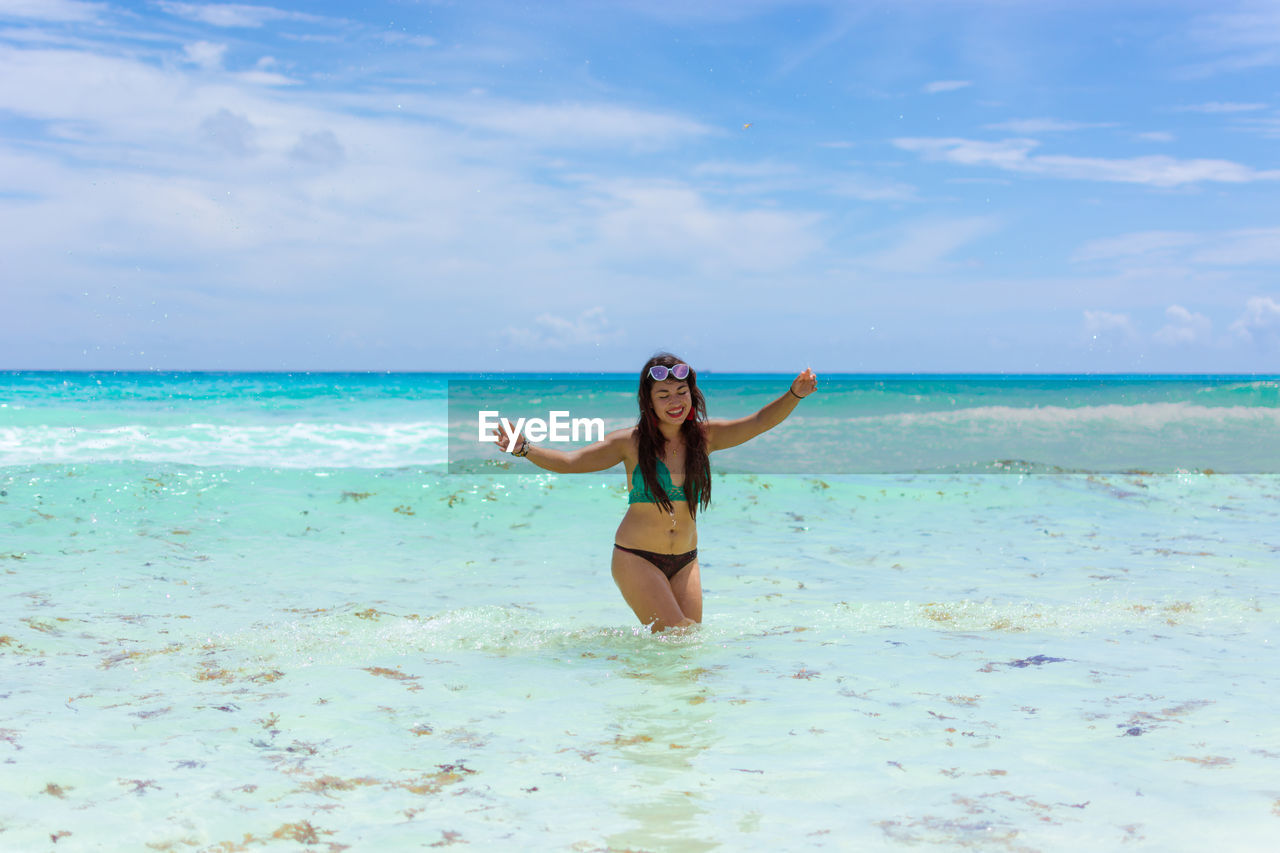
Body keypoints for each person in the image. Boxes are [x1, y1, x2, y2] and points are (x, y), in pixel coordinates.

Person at [488, 353, 818, 632]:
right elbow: (571, 462)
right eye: (664, 395)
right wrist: (525, 448)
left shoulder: (706, 437)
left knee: (685, 647)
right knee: (677, 638)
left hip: (686, 560)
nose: (675, 402)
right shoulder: (629, 442)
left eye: (681, 392)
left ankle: (666, 704)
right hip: (637, 558)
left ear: (692, 393)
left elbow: (759, 421)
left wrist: (794, 394)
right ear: (649, 402)